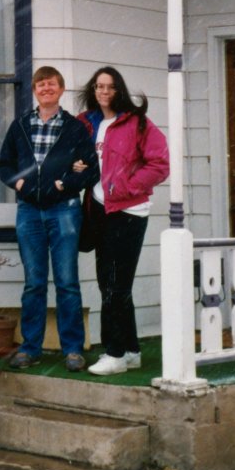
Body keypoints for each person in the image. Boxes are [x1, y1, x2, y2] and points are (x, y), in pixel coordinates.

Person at [0, 66, 99, 371]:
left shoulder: (74, 128)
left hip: (64, 210)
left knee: (67, 282)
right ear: (34, 90)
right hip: (29, 212)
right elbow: (4, 165)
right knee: (34, 283)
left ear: (61, 89)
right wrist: (20, 184)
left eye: (51, 84)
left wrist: (64, 184)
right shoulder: (20, 126)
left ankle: (73, 349)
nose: (46, 89)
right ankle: (30, 348)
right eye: (41, 85)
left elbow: (90, 169)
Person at [74, 66, 169, 376]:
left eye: (110, 86)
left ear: (119, 90)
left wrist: (127, 186)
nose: (104, 91)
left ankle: (113, 354)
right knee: (112, 284)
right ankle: (130, 351)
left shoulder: (137, 123)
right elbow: (77, 156)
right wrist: (76, 165)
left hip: (128, 212)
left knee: (115, 284)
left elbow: (159, 164)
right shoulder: (88, 123)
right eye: (99, 86)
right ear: (93, 90)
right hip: (100, 210)